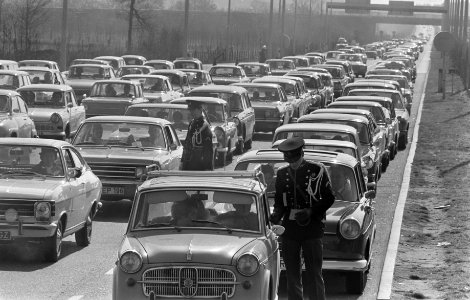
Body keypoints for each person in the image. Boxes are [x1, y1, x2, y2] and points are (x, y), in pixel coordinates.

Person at [270, 137, 335, 300]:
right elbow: (280, 201)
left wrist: (311, 211)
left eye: (295, 160)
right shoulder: (282, 173)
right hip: (290, 228)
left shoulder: (317, 170)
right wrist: (276, 215)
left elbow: (329, 198)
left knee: (314, 273)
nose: (293, 164)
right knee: (292, 274)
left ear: (301, 154)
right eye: (289, 160)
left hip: (311, 227)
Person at [181, 100, 214, 171]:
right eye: (191, 110)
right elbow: (187, 144)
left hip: (200, 164)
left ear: (200, 110)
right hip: (189, 163)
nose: (192, 112)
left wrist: (207, 167)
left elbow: (208, 149)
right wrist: (182, 161)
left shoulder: (205, 126)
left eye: (194, 110)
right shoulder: (192, 123)